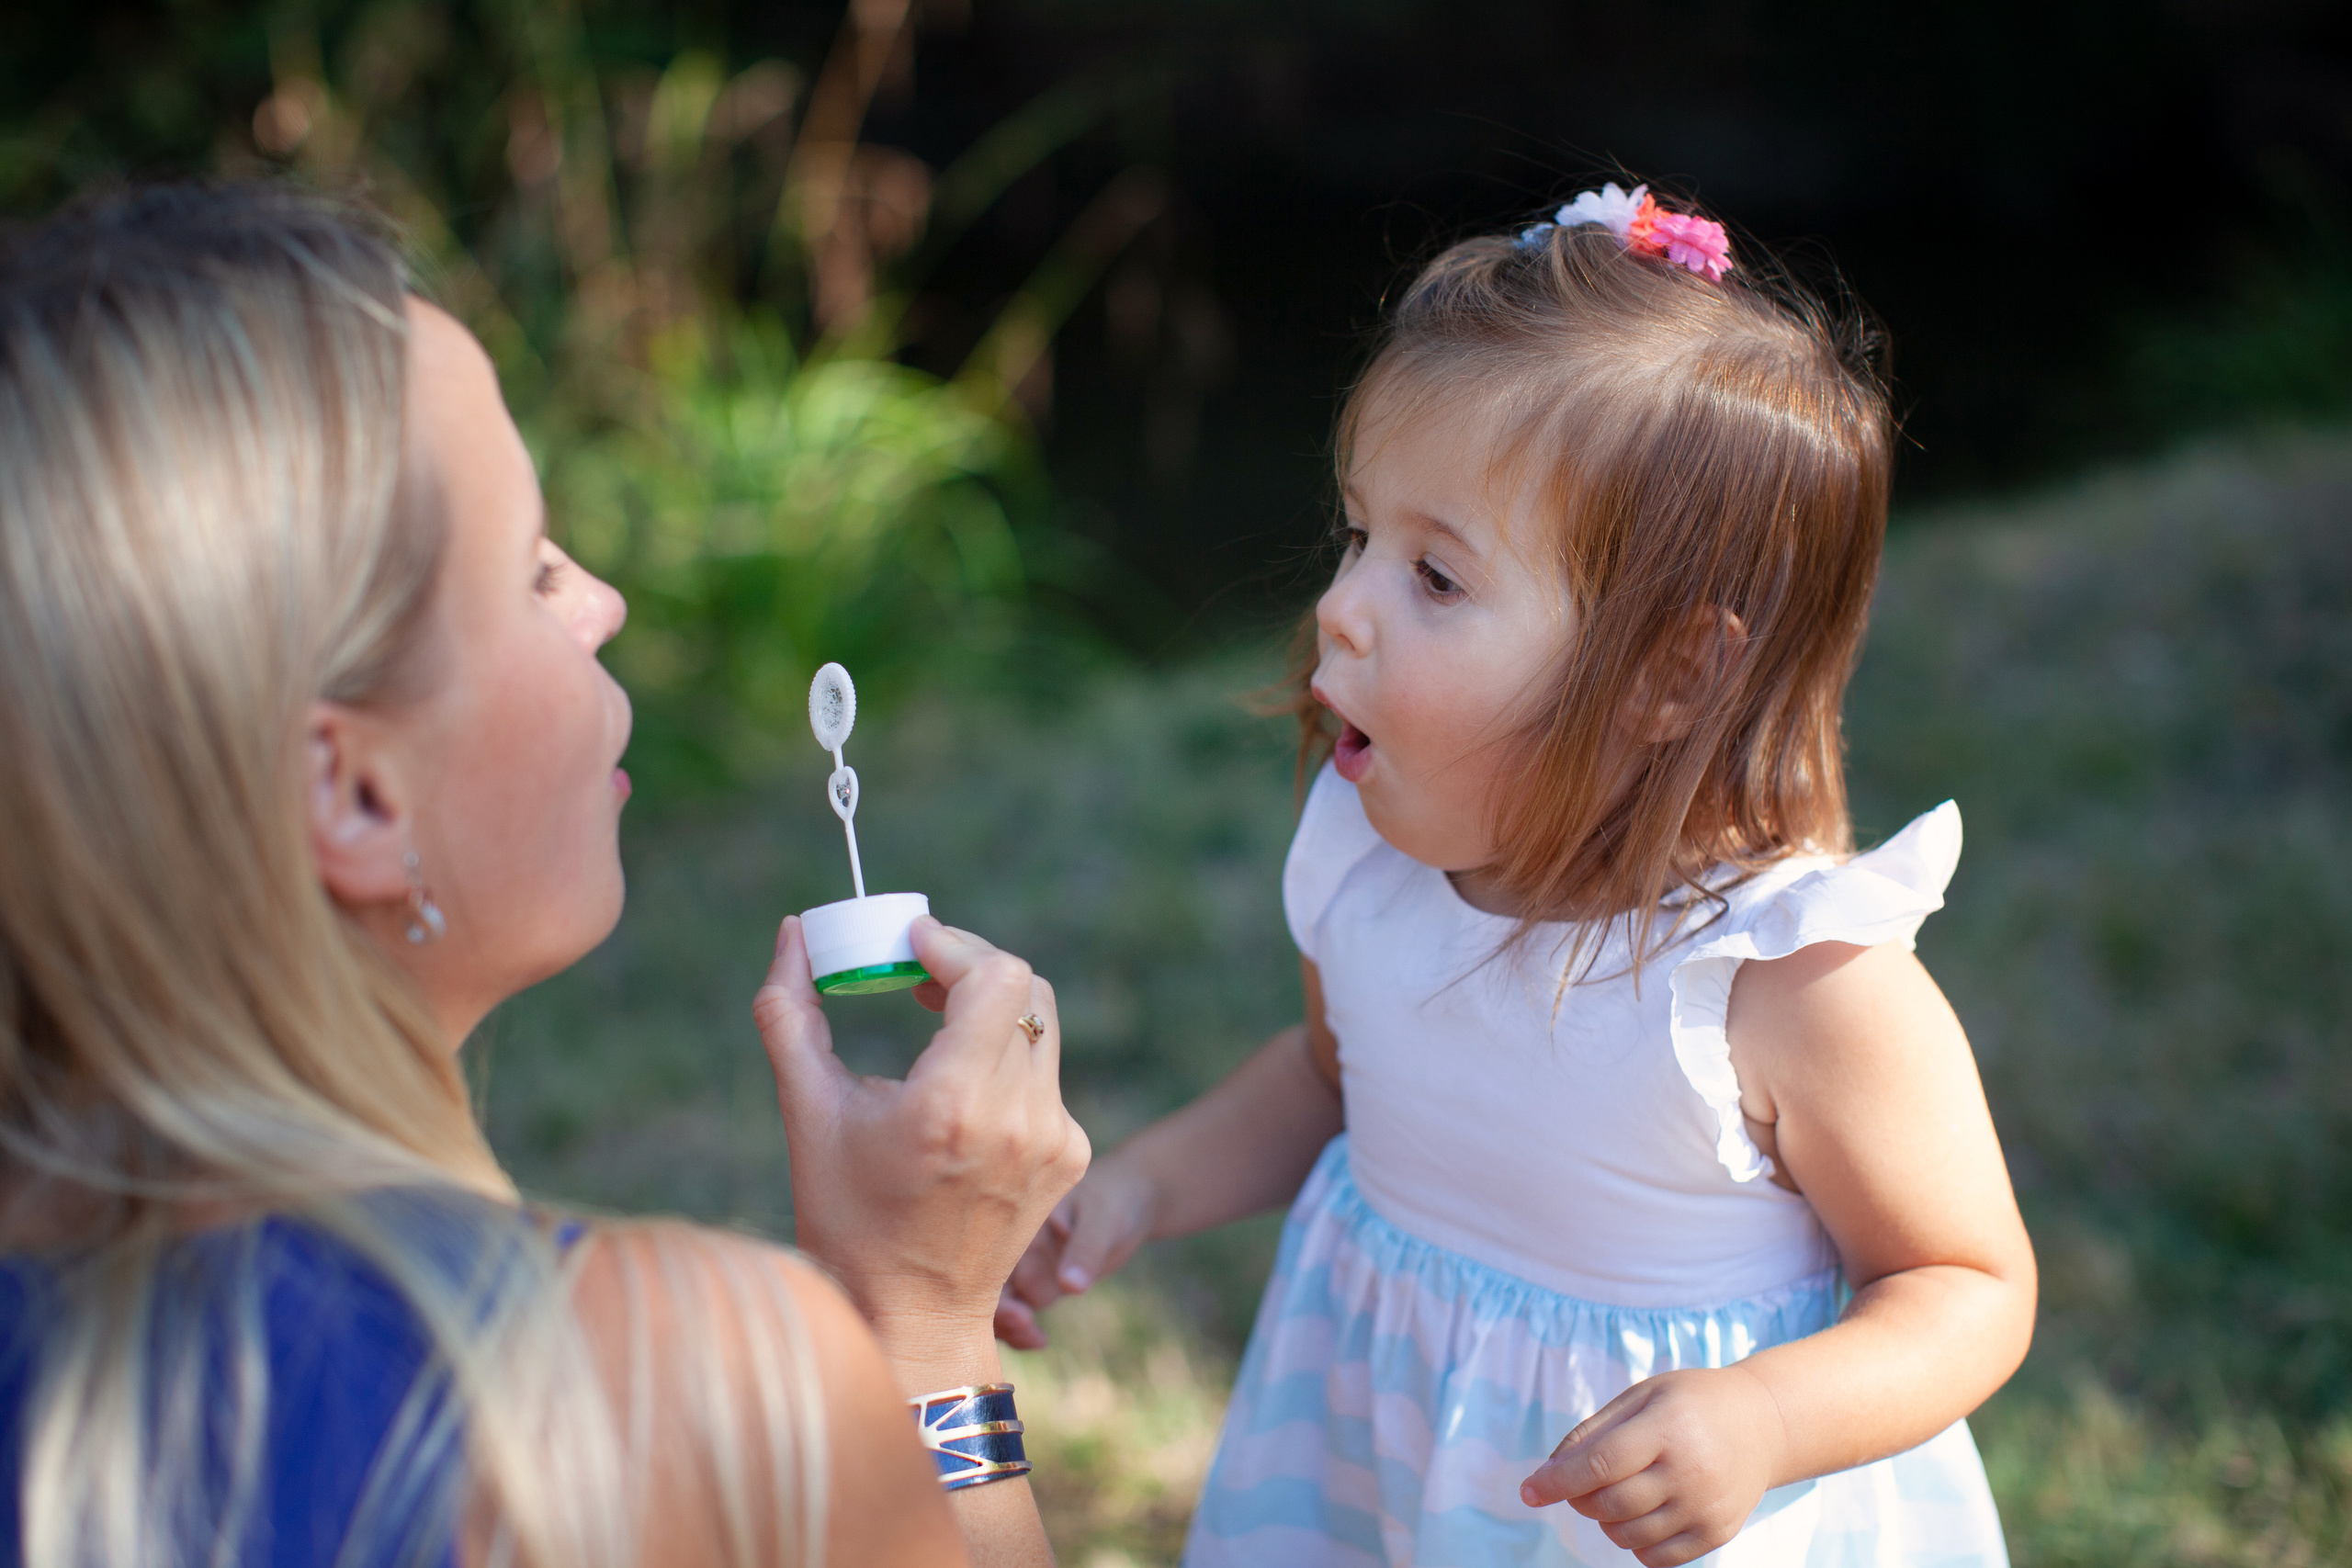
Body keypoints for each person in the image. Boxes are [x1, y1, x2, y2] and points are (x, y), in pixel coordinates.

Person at [0, 181, 1085, 1567]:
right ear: (357, 793)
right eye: (528, 570)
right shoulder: (674, 1401)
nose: (605, 602)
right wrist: (925, 1332)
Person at [998, 183, 2038, 1566]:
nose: (1339, 604)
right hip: (1386, 1455)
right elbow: (1329, 1079)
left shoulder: (1792, 981)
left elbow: (1963, 1281)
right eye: (1359, 535)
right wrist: (1139, 1187)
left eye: (1435, 577)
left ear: (1675, 670)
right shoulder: (1368, 857)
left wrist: (1765, 1419)